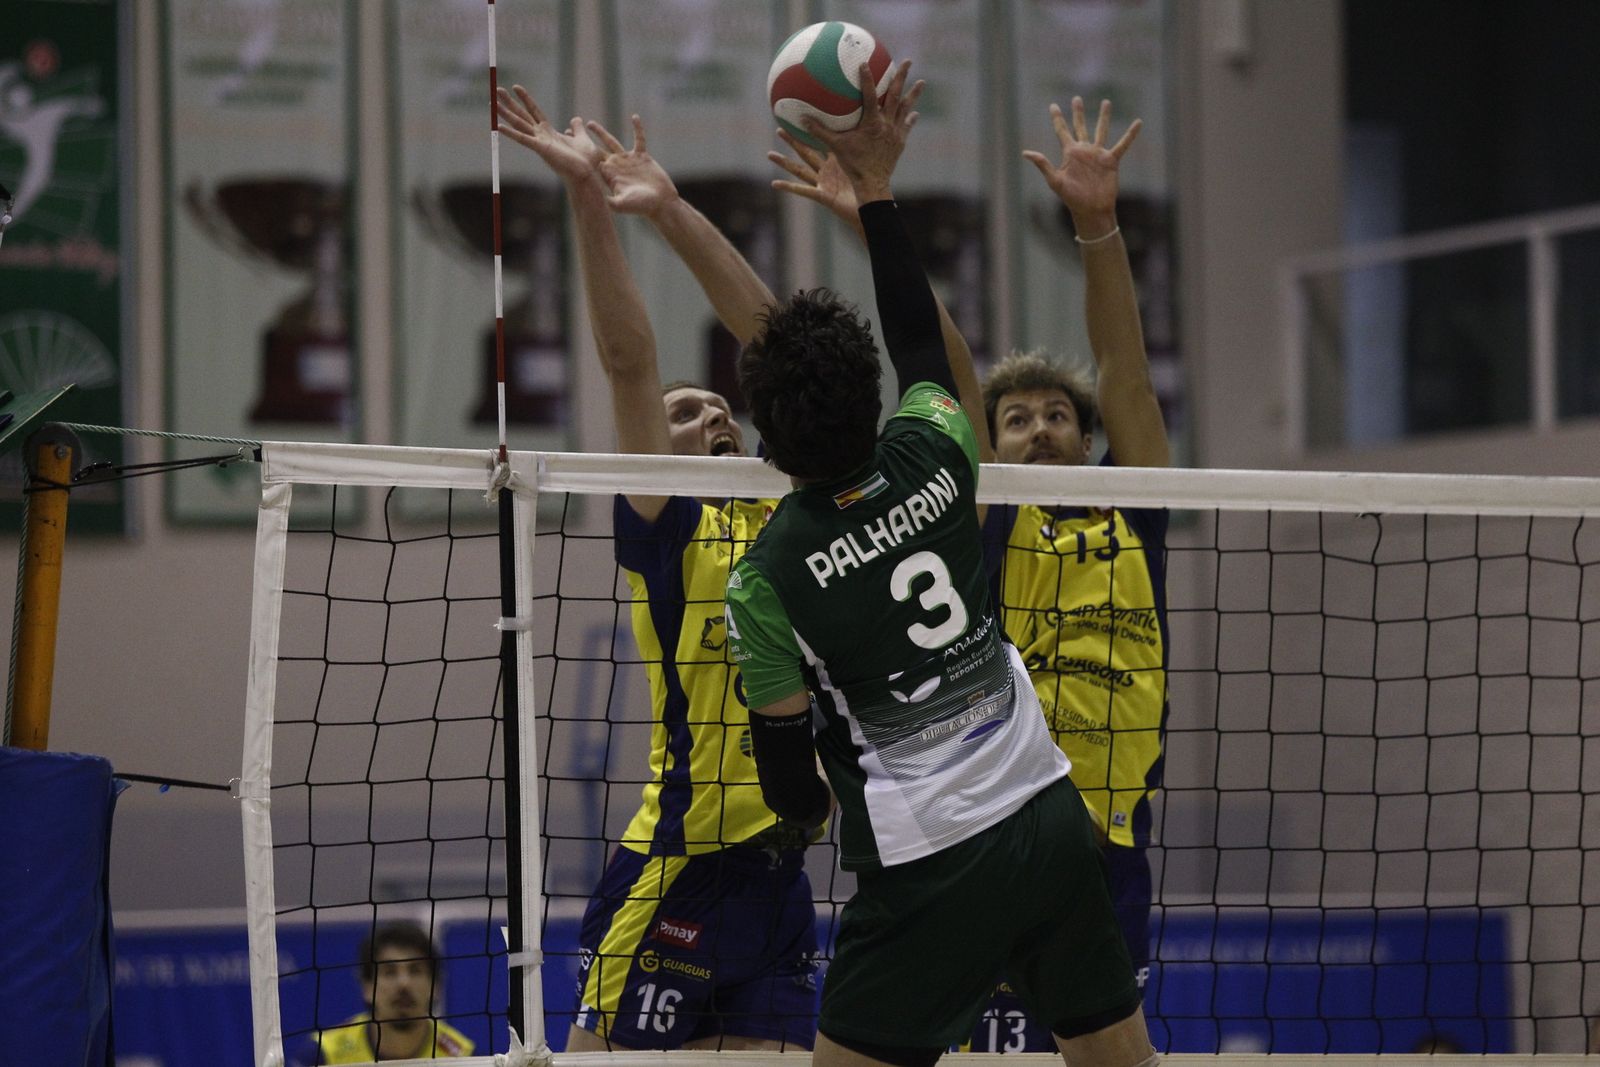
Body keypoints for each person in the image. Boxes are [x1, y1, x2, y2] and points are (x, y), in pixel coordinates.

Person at [724, 61, 1157, 1067]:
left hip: (927, 862)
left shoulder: (768, 576)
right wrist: (875, 192)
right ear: (868, 393)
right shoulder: (933, 447)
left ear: (769, 436)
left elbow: (790, 783)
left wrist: (816, 797)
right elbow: (926, 346)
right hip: (1049, 819)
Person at [496, 85, 817, 1053]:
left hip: (780, 874)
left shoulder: (791, 503)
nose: (712, 417)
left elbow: (787, 347)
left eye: (720, 409)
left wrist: (672, 208)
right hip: (675, 864)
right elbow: (629, 361)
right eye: (686, 414)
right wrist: (592, 199)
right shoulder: (666, 521)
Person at [968, 96, 1172, 1053]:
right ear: (992, 444)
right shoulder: (988, 516)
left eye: (1059, 415)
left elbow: (1125, 371)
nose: (1041, 427)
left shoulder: (1133, 504)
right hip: (995, 836)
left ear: (1088, 441)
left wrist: (1098, 226)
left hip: (1111, 850)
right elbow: (949, 368)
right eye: (1017, 418)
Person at [309, 921, 472, 1063]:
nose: (404, 984)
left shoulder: (464, 1058)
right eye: (390, 972)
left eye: (415, 971)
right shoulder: (323, 1053)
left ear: (436, 986)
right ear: (367, 987)